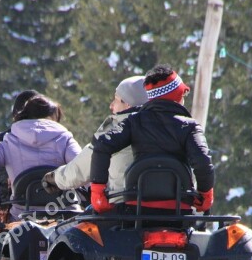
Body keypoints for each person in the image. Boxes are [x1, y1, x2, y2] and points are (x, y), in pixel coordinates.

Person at [89, 64, 215, 214]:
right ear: (176, 96)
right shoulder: (189, 127)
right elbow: (202, 162)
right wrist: (205, 196)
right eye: (183, 95)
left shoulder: (134, 121)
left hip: (137, 208)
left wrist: (98, 192)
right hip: (178, 210)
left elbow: (102, 145)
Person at [0, 95, 81, 223]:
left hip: (22, 218)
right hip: (65, 215)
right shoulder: (65, 139)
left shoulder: (10, 140)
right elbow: (82, 166)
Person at [41, 76, 149, 201]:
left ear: (128, 103)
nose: (111, 105)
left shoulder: (116, 130)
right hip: (170, 209)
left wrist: (55, 179)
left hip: (125, 208)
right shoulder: (168, 125)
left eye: (116, 100)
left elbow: (81, 169)